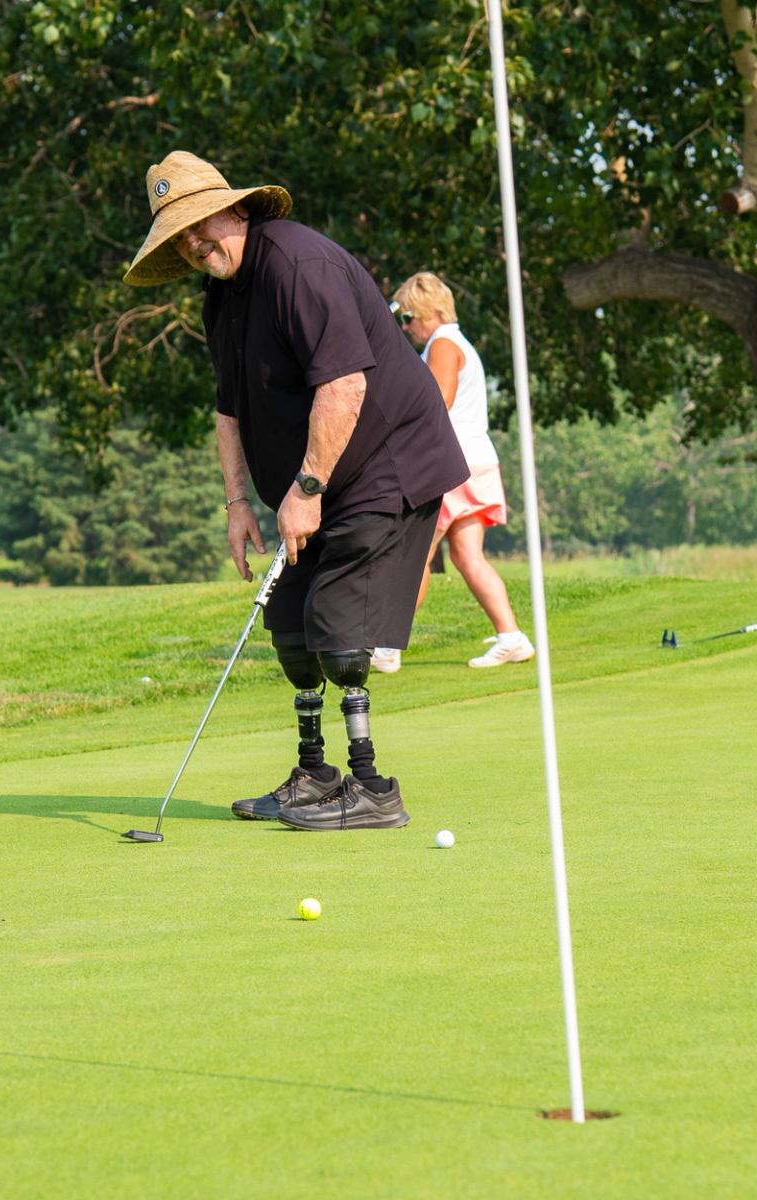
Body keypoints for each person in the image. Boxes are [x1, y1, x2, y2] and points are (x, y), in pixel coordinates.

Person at [122, 152, 469, 831]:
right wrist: (237, 505)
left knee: (338, 629)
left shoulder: (298, 267)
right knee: (289, 626)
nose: (197, 243)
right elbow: (229, 409)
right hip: (308, 479)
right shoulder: (222, 294)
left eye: (201, 225)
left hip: (384, 463)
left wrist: (305, 487)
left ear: (237, 209)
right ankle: (314, 777)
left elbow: (345, 385)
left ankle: (372, 788)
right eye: (181, 238)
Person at [370, 273, 534, 673]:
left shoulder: (443, 343)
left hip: (450, 464)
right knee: (467, 556)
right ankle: (511, 636)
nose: (406, 327)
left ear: (430, 312)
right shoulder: (458, 344)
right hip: (475, 461)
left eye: (409, 317)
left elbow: (437, 403)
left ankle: (387, 647)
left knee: (414, 557)